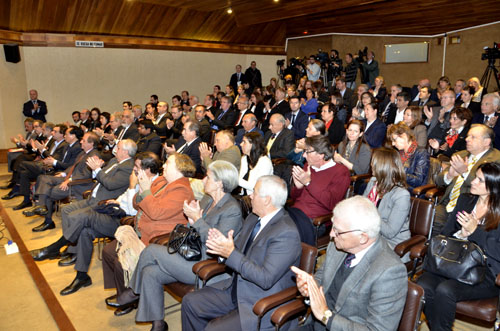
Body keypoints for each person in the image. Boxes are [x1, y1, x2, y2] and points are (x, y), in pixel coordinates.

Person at [112, 161, 243, 329]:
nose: (203, 180)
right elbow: (193, 230)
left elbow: (217, 244)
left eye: (208, 177)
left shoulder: (232, 209)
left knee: (151, 251)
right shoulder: (208, 199)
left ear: (219, 183)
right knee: (151, 272)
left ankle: (133, 291)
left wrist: (197, 219)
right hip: (190, 253)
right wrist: (191, 220)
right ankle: (158, 324)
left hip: (207, 264)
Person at [181, 175, 302, 331]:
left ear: (267, 200)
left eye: (255, 192)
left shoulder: (286, 233)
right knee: (190, 302)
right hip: (236, 287)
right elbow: (236, 251)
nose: (250, 196)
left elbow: (265, 278)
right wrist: (222, 247)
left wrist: (230, 253)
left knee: (214, 328)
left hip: (260, 301)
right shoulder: (253, 218)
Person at [30, 139, 137, 295]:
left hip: (106, 207)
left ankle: (54, 248)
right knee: (69, 213)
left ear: (126, 152)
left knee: (79, 218)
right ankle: (79, 269)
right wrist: (98, 168)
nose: (115, 149)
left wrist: (98, 170)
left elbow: (110, 184)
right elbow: (101, 176)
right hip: (94, 199)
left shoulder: (128, 168)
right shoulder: (115, 160)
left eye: (118, 147)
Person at [290, 196, 408, 331]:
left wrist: (326, 316)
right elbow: (321, 278)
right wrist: (309, 288)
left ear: (363, 238)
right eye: (333, 227)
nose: (331, 234)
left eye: (338, 231)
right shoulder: (338, 246)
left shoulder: (390, 271)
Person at [418, 162, 500, 330]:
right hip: (453, 261)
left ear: (493, 186)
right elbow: (447, 233)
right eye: (475, 177)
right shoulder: (465, 200)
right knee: (423, 284)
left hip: (484, 272)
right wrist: (461, 234)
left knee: (446, 290)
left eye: (479, 180)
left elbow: (496, 252)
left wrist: (474, 232)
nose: (473, 182)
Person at [431, 124, 500, 235]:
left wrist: (464, 173)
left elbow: (489, 185)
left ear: (486, 142)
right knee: (423, 216)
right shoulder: (461, 154)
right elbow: (438, 181)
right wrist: (449, 175)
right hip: (447, 204)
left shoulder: (496, 159)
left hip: (470, 208)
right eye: (468, 136)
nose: (467, 139)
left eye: (473, 137)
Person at [25, 132, 101, 232]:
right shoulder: (83, 152)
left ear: (91, 143)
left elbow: (87, 175)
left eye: (83, 140)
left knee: (49, 191)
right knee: (43, 178)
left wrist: (69, 180)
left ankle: (47, 220)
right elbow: (72, 166)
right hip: (70, 179)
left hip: (79, 185)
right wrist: (63, 174)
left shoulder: (94, 155)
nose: (81, 141)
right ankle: (41, 206)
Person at [363, 148, 411, 252]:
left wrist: (369, 213)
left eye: (374, 163)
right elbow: (361, 206)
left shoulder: (401, 195)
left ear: (383, 167)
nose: (371, 165)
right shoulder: (373, 182)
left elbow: (390, 232)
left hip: (391, 244)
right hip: (371, 235)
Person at [291, 135, 350, 220]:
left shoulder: (341, 172)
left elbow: (332, 203)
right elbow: (294, 198)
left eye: (307, 152)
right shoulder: (308, 166)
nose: (303, 155)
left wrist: (308, 183)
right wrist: (298, 187)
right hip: (295, 213)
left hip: (314, 220)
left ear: (320, 155)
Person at [388, 122, 430, 191]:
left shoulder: (422, 153)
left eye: (394, 140)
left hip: (412, 191)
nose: (393, 144)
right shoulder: (398, 153)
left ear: (404, 135)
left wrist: (399, 171)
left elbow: (418, 181)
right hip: (398, 188)